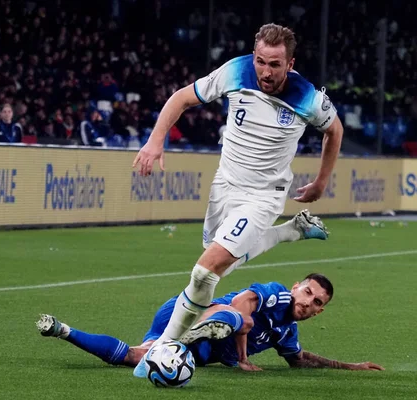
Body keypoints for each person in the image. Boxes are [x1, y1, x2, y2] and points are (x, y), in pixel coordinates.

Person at [131, 22, 344, 377]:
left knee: (205, 270)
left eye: (275, 64)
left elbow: (334, 130)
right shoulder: (235, 70)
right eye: (261, 61)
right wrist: (155, 141)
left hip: (264, 198)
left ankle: (163, 347)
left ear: (290, 64)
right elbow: (181, 98)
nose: (265, 71)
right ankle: (290, 232)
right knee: (220, 267)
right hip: (225, 186)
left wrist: (322, 182)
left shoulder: (308, 97)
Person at [36, 274, 383, 372]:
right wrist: (243, 358)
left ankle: (63, 330)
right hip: (194, 311)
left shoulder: (286, 332)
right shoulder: (277, 295)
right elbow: (241, 302)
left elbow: (299, 359)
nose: (307, 302)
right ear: (296, 287)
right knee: (237, 317)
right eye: (307, 292)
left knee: (137, 358)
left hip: (199, 347)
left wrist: (349, 366)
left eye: (316, 302)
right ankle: (206, 328)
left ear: (319, 311)